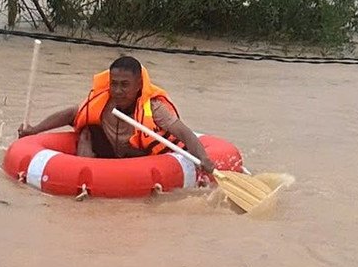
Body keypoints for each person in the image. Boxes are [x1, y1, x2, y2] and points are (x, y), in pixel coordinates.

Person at [19, 55, 217, 177]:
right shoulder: (103, 101)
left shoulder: (154, 109)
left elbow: (184, 133)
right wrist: (33, 131)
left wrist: (204, 158)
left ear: (139, 84)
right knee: (87, 132)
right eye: (114, 83)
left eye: (125, 85)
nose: (118, 90)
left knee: (133, 153)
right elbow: (70, 114)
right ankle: (82, 175)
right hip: (109, 153)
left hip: (141, 159)